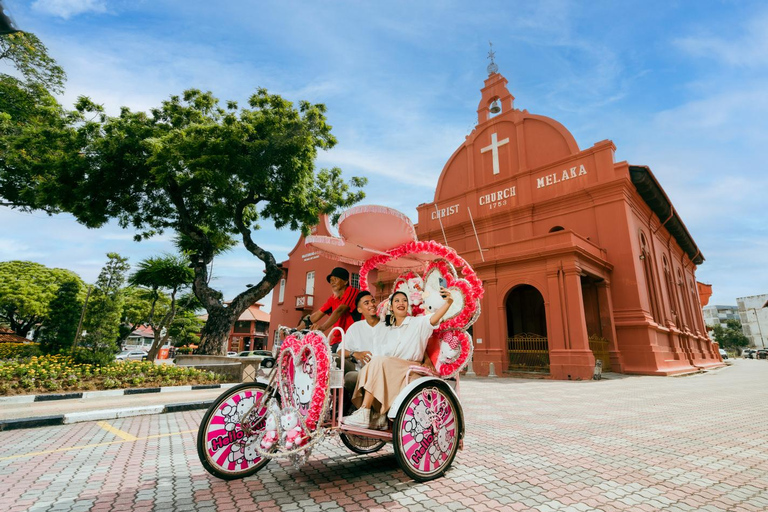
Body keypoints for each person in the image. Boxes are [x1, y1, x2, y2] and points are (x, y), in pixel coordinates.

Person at [343, 287, 454, 429]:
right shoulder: (388, 329)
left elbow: (434, 318)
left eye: (404, 300)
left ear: (407, 305)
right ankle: (376, 415)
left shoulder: (418, 323)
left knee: (378, 361)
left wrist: (449, 302)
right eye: (397, 300)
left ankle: (365, 411)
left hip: (410, 369)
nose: (401, 303)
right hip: (393, 369)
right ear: (391, 306)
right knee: (369, 367)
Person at [308, 267, 359, 352]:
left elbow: (340, 310)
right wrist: (295, 329)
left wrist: (322, 328)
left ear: (345, 281)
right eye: (331, 280)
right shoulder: (333, 299)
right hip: (337, 341)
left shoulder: (352, 291)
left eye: (335, 279)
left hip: (352, 340)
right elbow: (316, 315)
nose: (332, 282)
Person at [341, 291, 383, 396]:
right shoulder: (355, 327)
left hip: (382, 370)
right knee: (336, 360)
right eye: (366, 303)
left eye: (373, 301)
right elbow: (339, 351)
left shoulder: (387, 324)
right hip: (361, 369)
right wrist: (355, 354)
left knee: (350, 377)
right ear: (359, 310)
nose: (372, 304)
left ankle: (360, 408)